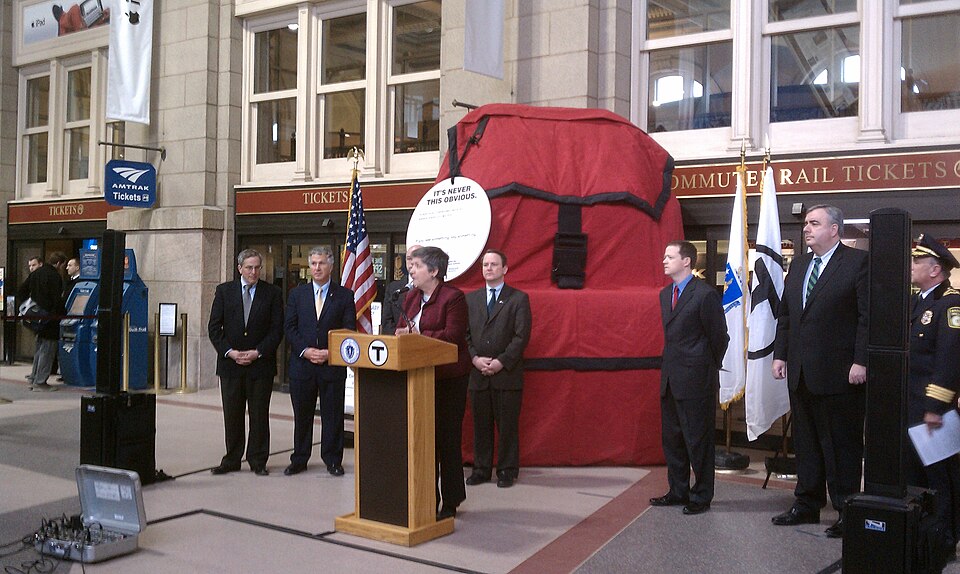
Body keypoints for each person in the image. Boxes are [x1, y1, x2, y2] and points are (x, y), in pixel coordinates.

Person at [771, 204, 868, 538]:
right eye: (806, 223)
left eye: (814, 223)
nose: (806, 229)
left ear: (835, 229)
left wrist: (861, 360)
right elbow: (786, 316)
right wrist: (780, 355)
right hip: (800, 371)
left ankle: (845, 508)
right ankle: (807, 504)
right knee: (807, 443)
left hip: (840, 374)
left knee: (841, 445)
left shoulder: (857, 263)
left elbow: (865, 318)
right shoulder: (798, 266)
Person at [650, 241, 728, 516]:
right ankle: (678, 490)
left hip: (697, 380)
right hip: (671, 379)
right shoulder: (664, 294)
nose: (664, 260)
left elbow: (720, 337)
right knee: (673, 440)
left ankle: (701, 495)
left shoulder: (704, 295)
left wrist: (705, 366)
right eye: (664, 256)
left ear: (686, 261)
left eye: (669, 256)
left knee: (699, 441)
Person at [395, 246, 471, 520]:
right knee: (423, 440)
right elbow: (407, 330)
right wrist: (403, 334)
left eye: (416, 265)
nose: (411, 270)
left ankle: (451, 501)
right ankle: (428, 497)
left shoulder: (454, 297)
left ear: (434, 271)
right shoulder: (410, 297)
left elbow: (452, 336)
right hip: (419, 376)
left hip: (448, 379)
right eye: (410, 265)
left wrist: (419, 333)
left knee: (447, 440)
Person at [906, 234, 960, 561]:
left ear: (935, 268)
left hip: (932, 408)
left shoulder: (951, 304)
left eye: (917, 261)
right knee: (915, 475)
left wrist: (935, 407)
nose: (911, 266)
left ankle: (945, 536)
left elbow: (949, 360)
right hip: (911, 404)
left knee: (941, 477)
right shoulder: (919, 299)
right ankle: (923, 532)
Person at [208, 249, 284, 476]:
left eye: (257, 267)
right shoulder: (224, 291)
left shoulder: (272, 293)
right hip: (231, 365)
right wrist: (229, 352)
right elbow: (214, 327)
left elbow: (276, 329)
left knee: (259, 415)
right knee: (232, 414)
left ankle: (258, 460)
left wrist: (258, 352)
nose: (253, 272)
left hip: (260, 365)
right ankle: (231, 459)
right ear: (239, 268)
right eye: (249, 267)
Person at [284, 246, 356, 476]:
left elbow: (349, 330)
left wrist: (329, 352)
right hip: (302, 365)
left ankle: (333, 459)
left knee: (333, 415)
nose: (316, 268)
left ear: (331, 266)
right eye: (313, 263)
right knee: (302, 415)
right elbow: (290, 328)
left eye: (321, 263)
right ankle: (300, 458)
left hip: (331, 366)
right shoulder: (297, 294)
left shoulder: (345, 295)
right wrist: (305, 351)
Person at [464, 249, 532, 488]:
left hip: (507, 375)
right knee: (480, 426)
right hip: (478, 373)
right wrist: (474, 359)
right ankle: (481, 469)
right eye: (485, 264)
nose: (488, 268)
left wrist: (501, 361)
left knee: (507, 427)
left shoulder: (518, 299)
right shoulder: (470, 299)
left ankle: (506, 470)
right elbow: (466, 335)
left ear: (505, 269)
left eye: (494, 264)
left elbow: (521, 336)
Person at [16, 255, 64, 392]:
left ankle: (34, 377)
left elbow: (21, 291)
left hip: (37, 318)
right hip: (50, 319)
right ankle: (41, 382)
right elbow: (57, 299)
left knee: (39, 348)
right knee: (47, 350)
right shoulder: (54, 276)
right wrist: (58, 314)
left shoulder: (36, 273)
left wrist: (31, 306)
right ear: (59, 264)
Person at [381, 244, 421, 335]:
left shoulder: (432, 288)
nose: (412, 262)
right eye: (409, 258)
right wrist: (400, 335)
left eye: (416, 258)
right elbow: (386, 322)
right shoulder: (394, 288)